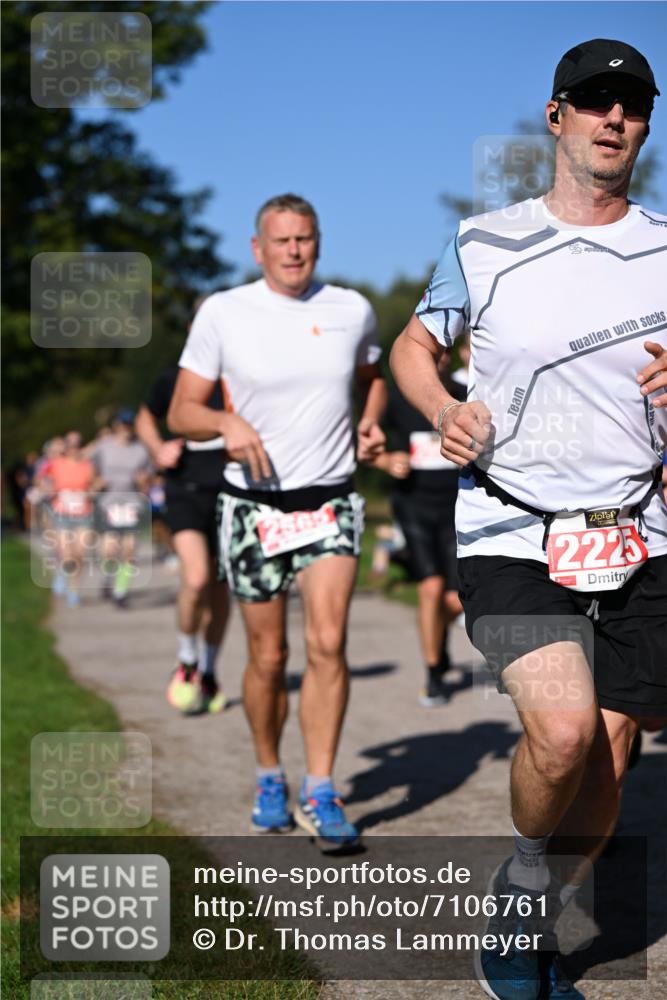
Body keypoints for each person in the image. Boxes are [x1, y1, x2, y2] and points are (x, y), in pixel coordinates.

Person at [390, 38, 666, 1000]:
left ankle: (537, 909)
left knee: (611, 755)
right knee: (561, 734)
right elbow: (413, 347)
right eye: (593, 101)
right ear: (556, 117)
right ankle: (517, 887)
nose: (613, 118)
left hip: (639, 529)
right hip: (512, 527)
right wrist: (439, 409)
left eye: (631, 104)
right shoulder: (484, 242)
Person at [168, 193, 386, 850]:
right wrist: (223, 421)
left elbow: (372, 375)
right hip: (252, 508)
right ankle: (270, 774)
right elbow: (182, 411)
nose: (295, 251)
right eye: (282, 240)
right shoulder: (223, 312)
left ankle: (320, 789)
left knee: (327, 642)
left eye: (306, 238)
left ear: (318, 242)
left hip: (329, 502)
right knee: (269, 655)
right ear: (257, 247)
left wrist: (370, 420)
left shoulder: (350, 309)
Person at [136, 311, 231, 715]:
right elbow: (144, 416)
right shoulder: (176, 377)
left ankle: (209, 668)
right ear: (193, 329)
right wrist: (158, 448)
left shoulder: (243, 376)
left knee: (221, 588)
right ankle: (187, 658)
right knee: (195, 580)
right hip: (186, 489)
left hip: (233, 492)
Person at [373, 344, 466, 706]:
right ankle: (432, 673)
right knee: (429, 589)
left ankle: (438, 643)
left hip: (458, 507)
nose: (436, 359)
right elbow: (367, 446)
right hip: (413, 505)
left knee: (454, 600)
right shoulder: (399, 401)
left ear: (450, 356)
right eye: (428, 352)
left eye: (442, 351)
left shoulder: (465, 396)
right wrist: (385, 461)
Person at [90, 409, 152, 608]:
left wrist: (144, 482)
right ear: (116, 425)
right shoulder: (103, 447)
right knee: (108, 550)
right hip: (108, 502)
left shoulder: (141, 450)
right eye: (123, 425)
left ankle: (120, 592)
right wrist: (94, 482)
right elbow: (88, 467)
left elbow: (148, 476)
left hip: (132, 503)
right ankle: (107, 579)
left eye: (129, 425)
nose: (126, 429)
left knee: (129, 550)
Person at [46, 431, 96, 606]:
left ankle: (73, 591)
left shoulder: (87, 465)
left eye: (78, 444)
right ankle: (62, 573)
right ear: (66, 446)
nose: (74, 448)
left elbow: (93, 485)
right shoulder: (56, 464)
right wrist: (48, 488)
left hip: (83, 513)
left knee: (80, 555)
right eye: (71, 444)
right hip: (62, 514)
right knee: (67, 554)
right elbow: (43, 481)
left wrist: (93, 490)